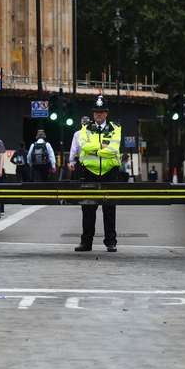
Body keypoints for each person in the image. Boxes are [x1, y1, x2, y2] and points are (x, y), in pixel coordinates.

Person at [75, 95, 122, 253]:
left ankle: (111, 242)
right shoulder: (85, 128)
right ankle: (86, 242)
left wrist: (94, 148)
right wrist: (102, 148)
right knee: (88, 208)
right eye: (96, 112)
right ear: (93, 113)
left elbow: (114, 149)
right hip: (89, 172)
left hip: (110, 172)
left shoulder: (115, 128)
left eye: (101, 112)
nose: (99, 115)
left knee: (109, 208)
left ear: (106, 113)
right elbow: (83, 146)